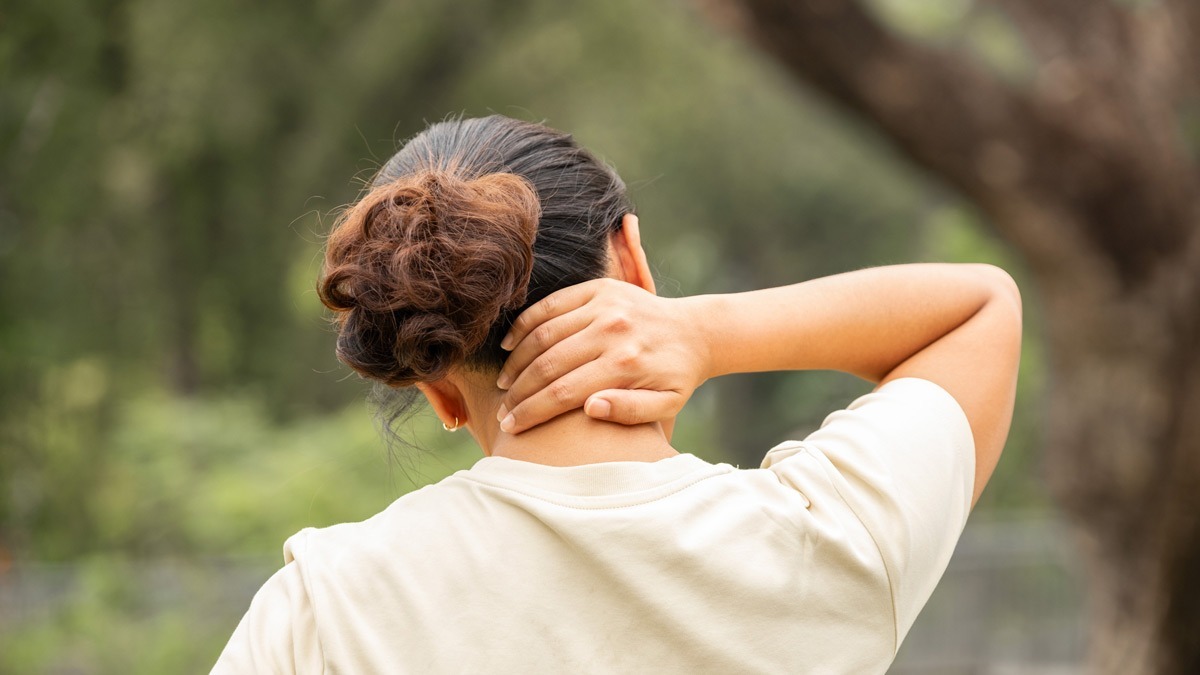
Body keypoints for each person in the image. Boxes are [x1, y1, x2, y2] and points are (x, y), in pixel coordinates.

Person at [212, 115, 1021, 673]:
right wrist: (706, 333)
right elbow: (981, 308)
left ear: (438, 390)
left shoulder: (325, 606)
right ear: (632, 260)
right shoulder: (828, 541)